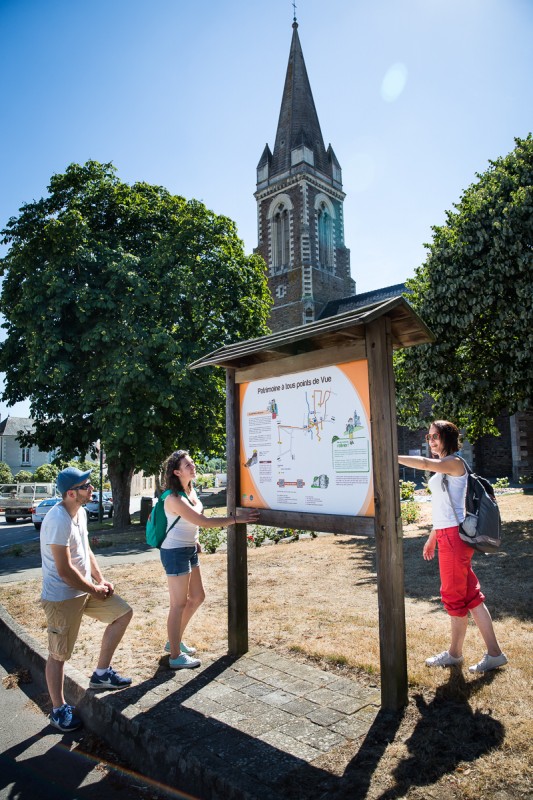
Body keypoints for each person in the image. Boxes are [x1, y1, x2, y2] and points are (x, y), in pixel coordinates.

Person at [398, 420, 508, 674]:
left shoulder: (454, 463)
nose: (431, 441)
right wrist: (432, 537)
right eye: (428, 437)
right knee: (471, 597)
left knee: (453, 598)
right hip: (447, 535)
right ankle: (494, 654)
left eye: (435, 436)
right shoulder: (445, 468)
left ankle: (455, 654)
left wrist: (391, 456)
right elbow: (448, 508)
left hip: (454, 540)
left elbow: (425, 464)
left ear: (448, 437)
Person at [40, 467, 133, 732]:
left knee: (122, 613)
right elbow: (64, 570)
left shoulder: (79, 512)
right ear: (71, 493)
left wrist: (100, 580)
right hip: (62, 597)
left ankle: (101, 674)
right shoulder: (57, 519)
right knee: (59, 654)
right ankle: (58, 710)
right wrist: (93, 589)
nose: (92, 488)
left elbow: (86, 550)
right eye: (86, 486)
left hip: (85, 589)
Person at [160, 450, 259, 670]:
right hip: (175, 552)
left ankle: (173, 642)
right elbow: (203, 520)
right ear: (176, 472)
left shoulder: (190, 490)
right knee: (178, 604)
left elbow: (190, 522)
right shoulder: (173, 497)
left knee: (197, 596)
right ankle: (175, 656)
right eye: (188, 465)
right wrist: (235, 519)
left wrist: (194, 539)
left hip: (188, 548)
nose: (193, 467)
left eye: (192, 463)